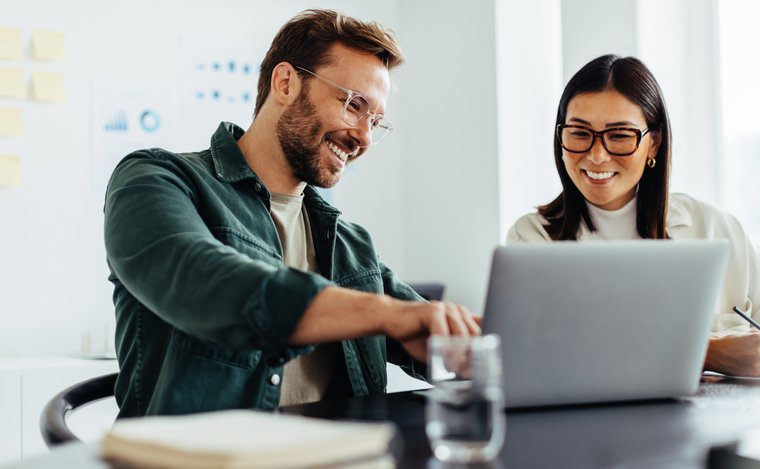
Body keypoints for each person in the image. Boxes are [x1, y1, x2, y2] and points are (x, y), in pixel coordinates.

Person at [104, 9, 480, 418]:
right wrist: (387, 314)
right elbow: (206, 281)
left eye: (375, 121)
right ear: (285, 83)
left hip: (344, 449)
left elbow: (426, 328)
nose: (364, 137)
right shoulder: (156, 179)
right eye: (353, 104)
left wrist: (475, 341)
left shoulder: (351, 244)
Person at [507, 54, 760, 378]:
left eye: (619, 135)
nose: (597, 155)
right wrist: (706, 352)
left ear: (653, 143)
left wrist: (756, 348)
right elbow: (536, 351)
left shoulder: (712, 227)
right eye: (580, 133)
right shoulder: (532, 238)